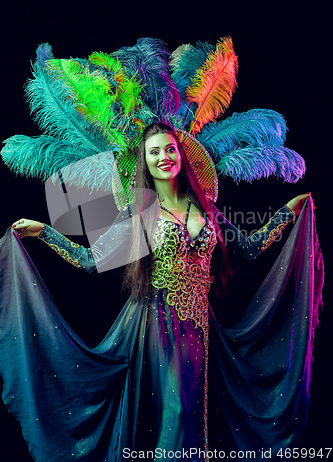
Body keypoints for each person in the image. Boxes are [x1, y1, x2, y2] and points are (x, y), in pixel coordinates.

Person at [5, 122, 316, 462]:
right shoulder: (139, 213)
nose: (164, 157)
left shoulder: (205, 208)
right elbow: (90, 261)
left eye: (169, 149)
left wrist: (288, 213)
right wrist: (45, 232)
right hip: (157, 325)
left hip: (200, 329)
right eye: (154, 152)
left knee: (197, 412)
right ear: (145, 162)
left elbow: (249, 249)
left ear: (180, 155)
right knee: (178, 412)